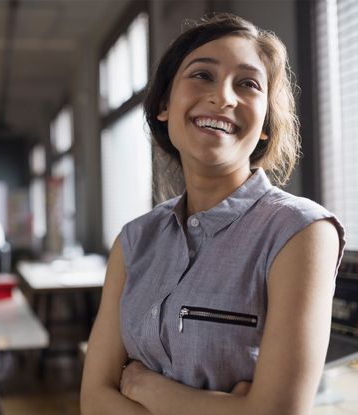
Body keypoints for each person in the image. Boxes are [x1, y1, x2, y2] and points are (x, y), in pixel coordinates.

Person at [80, 13, 345, 415]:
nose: (223, 96)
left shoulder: (300, 233)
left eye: (248, 84)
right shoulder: (134, 241)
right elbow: (94, 400)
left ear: (266, 126)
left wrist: (145, 386)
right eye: (202, 75)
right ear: (166, 104)